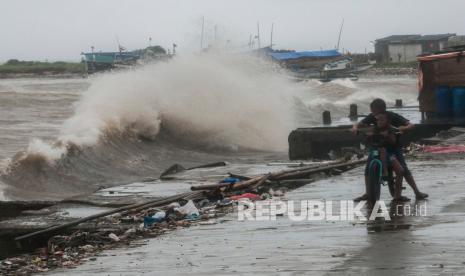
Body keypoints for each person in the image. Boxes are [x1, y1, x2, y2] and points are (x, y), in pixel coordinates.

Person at [352, 98, 428, 201]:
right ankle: (368, 193)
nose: (375, 116)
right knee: (367, 169)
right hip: (377, 147)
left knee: (403, 169)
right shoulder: (373, 117)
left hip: (393, 148)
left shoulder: (392, 117)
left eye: (374, 111)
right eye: (376, 117)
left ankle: (416, 192)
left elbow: (410, 125)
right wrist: (355, 128)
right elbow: (359, 124)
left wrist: (402, 129)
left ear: (381, 110)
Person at [365, 112, 405, 201]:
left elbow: (394, 142)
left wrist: (388, 136)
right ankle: (368, 192)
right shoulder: (374, 129)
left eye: (382, 120)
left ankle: (397, 195)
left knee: (400, 171)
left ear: (387, 121)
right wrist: (368, 136)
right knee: (367, 168)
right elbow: (367, 142)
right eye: (378, 120)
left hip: (389, 154)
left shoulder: (391, 129)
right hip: (375, 152)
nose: (379, 122)